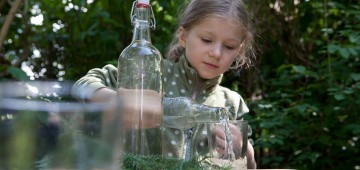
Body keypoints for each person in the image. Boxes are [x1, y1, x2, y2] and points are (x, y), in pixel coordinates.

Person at [72, 0, 257, 168]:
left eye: (229, 46)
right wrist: (111, 100)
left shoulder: (232, 103)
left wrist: (246, 151)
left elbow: (250, 166)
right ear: (183, 37)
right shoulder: (152, 71)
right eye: (207, 40)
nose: (216, 53)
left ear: (239, 51)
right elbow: (82, 85)